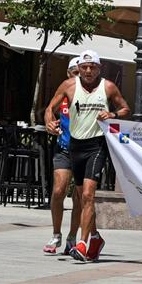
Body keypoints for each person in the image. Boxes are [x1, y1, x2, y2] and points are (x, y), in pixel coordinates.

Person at [44, 50, 130, 262]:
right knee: (80, 195)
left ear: (99, 68)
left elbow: (125, 108)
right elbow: (50, 108)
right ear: (78, 69)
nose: (88, 71)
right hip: (75, 146)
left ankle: (82, 244)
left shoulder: (108, 87)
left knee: (88, 195)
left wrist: (113, 114)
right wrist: (49, 122)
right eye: (84, 67)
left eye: (93, 67)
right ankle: (95, 237)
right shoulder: (68, 86)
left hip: (97, 145)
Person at [43, 56, 83, 255]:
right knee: (58, 191)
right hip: (64, 148)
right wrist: (50, 123)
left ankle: (72, 237)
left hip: (85, 151)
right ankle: (56, 233)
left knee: (80, 197)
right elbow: (49, 109)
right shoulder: (64, 92)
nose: (78, 77)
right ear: (68, 74)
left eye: (81, 72)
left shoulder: (92, 94)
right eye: (75, 73)